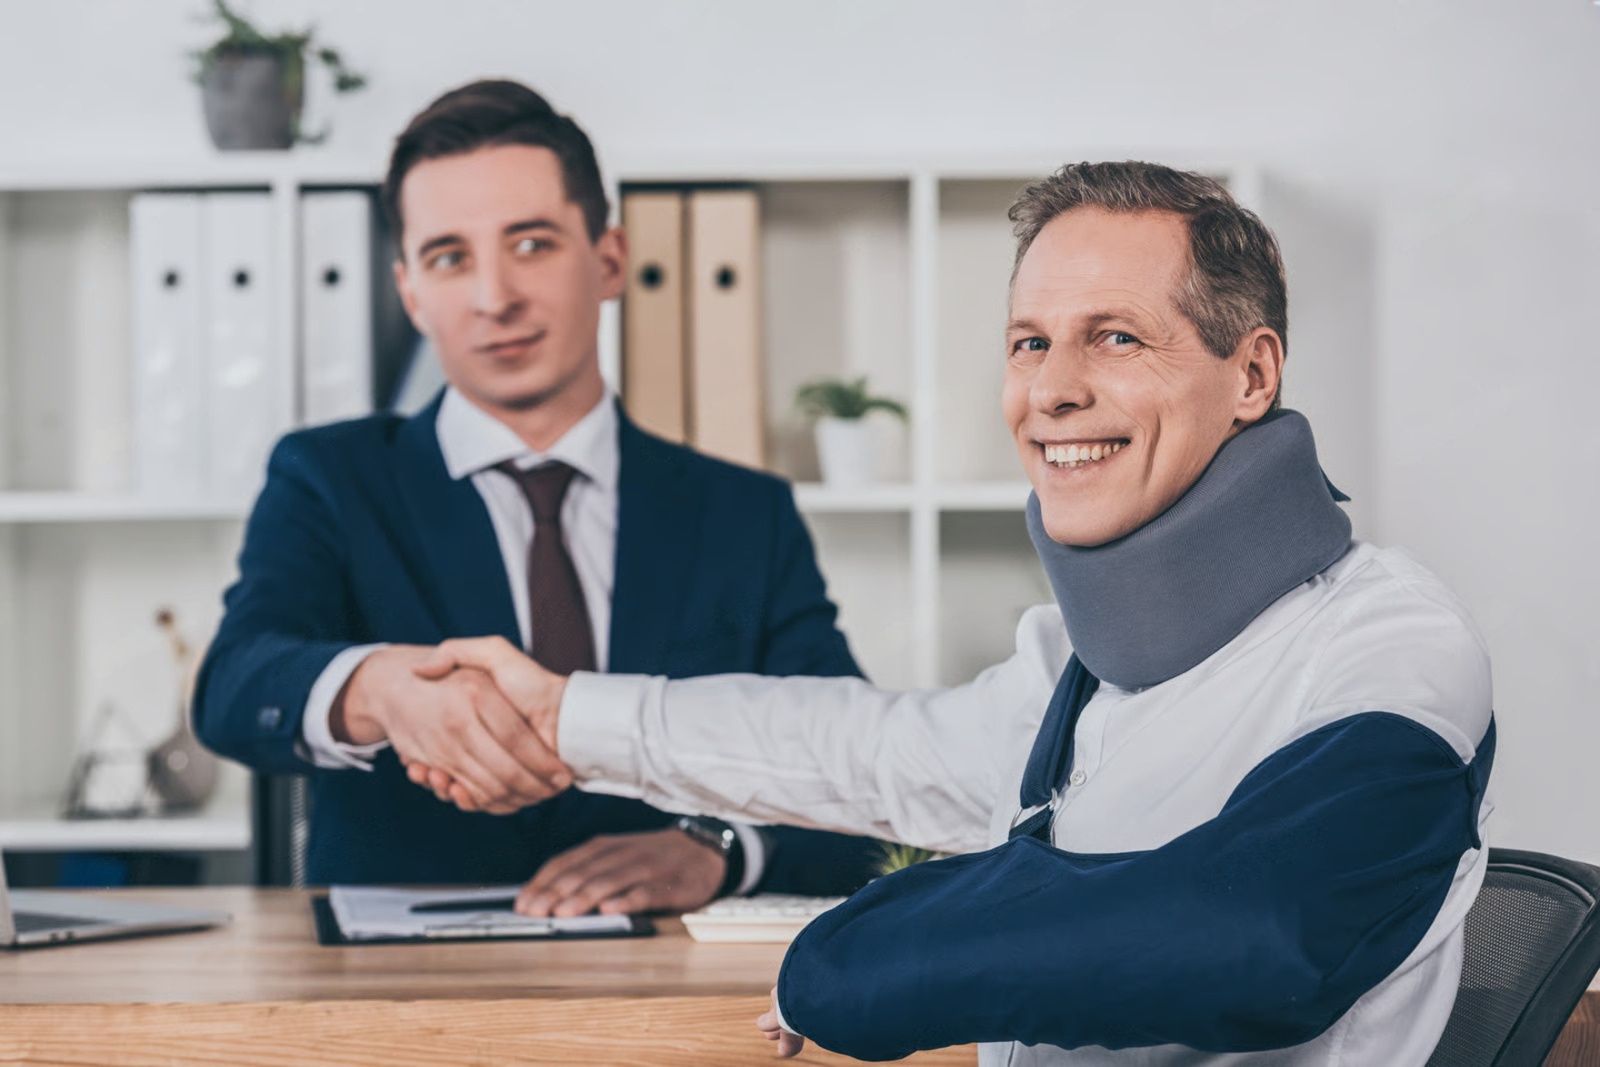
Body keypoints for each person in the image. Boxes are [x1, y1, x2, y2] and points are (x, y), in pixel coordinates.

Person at [408, 162, 1495, 1065]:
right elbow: (870, 749)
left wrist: (857, 956)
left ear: (1251, 372)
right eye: (1030, 341)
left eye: (1115, 337)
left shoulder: (1388, 645)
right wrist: (564, 715)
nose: (1052, 390)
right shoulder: (1080, 664)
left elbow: (1256, 932)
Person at [192, 78, 883, 911]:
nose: (495, 297)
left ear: (610, 260)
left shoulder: (743, 513)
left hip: (670, 998)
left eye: (531, 244)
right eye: (451, 257)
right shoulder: (330, 480)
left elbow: (858, 762)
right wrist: (379, 689)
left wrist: (724, 848)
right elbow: (233, 687)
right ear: (410, 289)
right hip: (391, 998)